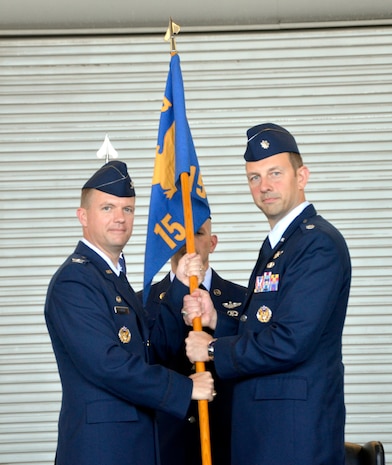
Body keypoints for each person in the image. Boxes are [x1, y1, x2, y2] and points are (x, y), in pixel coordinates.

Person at [181, 123, 352, 465]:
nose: (264, 186)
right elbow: (265, 324)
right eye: (254, 177)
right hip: (266, 433)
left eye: (275, 173)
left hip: (293, 437)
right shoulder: (281, 244)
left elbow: (291, 340)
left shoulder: (316, 244)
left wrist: (213, 349)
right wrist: (218, 320)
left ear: (301, 177)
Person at [44, 159, 214, 465]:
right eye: (107, 208)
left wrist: (178, 289)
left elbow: (152, 348)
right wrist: (185, 388)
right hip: (101, 448)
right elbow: (107, 364)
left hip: (136, 444)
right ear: (83, 216)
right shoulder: (75, 280)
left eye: (128, 209)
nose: (119, 218)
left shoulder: (113, 277)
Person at [139, 218, 247, 465]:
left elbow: (251, 357)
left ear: (212, 243)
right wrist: (178, 290)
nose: (187, 241)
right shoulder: (142, 303)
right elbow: (148, 361)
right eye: (178, 233)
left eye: (197, 232)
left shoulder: (242, 299)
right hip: (167, 445)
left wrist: (216, 328)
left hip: (228, 442)